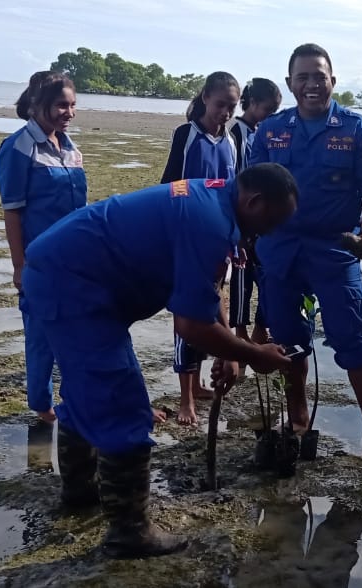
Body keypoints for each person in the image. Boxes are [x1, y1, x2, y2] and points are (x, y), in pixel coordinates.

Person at [20, 165, 298, 558]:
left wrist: (228, 349)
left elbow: (208, 287)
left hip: (67, 275)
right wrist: (254, 355)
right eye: (271, 222)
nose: (269, 233)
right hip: (74, 288)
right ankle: (128, 533)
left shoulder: (216, 199)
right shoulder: (209, 222)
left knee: (88, 393)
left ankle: (81, 493)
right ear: (254, 202)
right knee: (123, 407)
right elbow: (190, 326)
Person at [248, 43, 362, 461]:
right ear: (290, 82)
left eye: (319, 76)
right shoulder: (270, 130)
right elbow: (250, 190)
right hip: (280, 250)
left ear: (333, 80)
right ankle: (297, 417)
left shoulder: (357, 129)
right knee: (289, 339)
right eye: (303, 77)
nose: (312, 84)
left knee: (354, 338)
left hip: (336, 249)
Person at [0, 71, 87, 425]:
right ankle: (43, 408)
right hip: (40, 261)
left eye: (73, 105)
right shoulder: (19, 148)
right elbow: (13, 211)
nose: (69, 112)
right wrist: (19, 266)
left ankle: (76, 398)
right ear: (37, 105)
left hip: (75, 260)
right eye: (62, 105)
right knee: (41, 336)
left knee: (75, 329)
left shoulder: (71, 148)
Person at [159, 71, 242, 426]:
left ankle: (198, 381)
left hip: (219, 239)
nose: (224, 112)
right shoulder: (186, 135)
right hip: (187, 237)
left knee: (212, 307)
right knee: (187, 314)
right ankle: (186, 399)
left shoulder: (234, 139)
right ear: (205, 98)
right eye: (220, 104)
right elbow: (169, 185)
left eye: (231, 107)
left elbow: (238, 190)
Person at [226, 78, 284, 378]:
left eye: (275, 110)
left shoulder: (265, 133)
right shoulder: (234, 132)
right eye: (267, 109)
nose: (271, 115)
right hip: (243, 212)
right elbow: (237, 175)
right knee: (240, 277)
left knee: (265, 275)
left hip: (262, 216)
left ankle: (261, 327)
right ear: (251, 103)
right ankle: (239, 330)